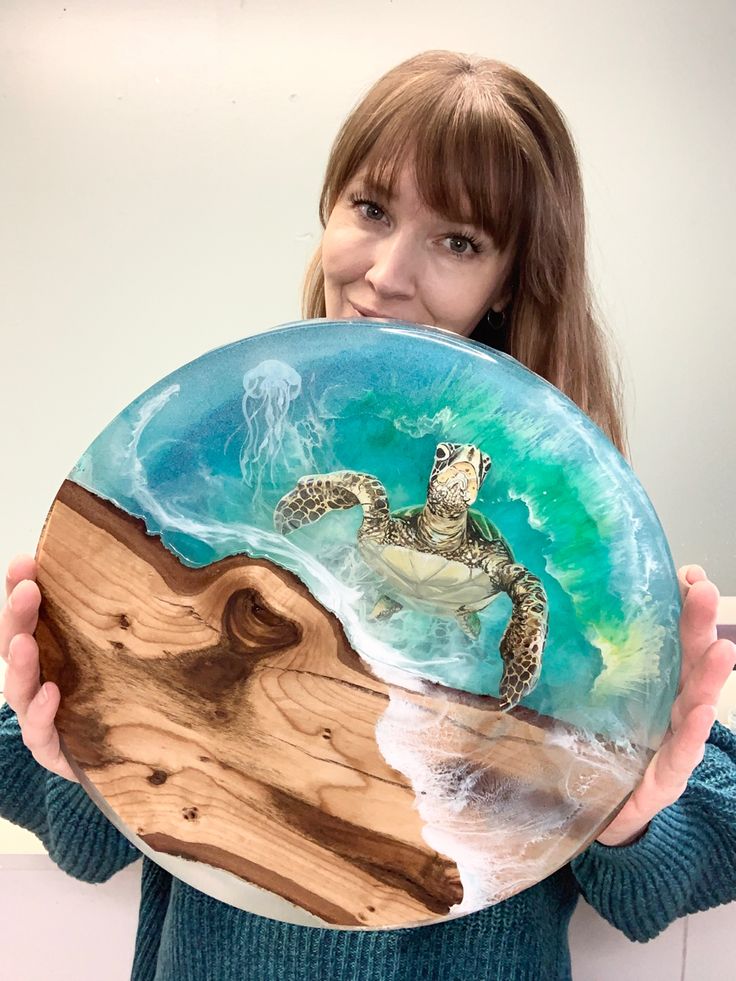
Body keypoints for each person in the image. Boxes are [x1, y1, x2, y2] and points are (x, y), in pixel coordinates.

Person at [1, 49, 735, 981]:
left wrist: (635, 815)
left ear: (509, 279)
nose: (388, 272)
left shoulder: (594, 534)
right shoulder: (209, 451)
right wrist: (68, 753)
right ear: (329, 208)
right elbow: (95, 838)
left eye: (458, 240)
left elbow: (674, 864)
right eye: (372, 209)